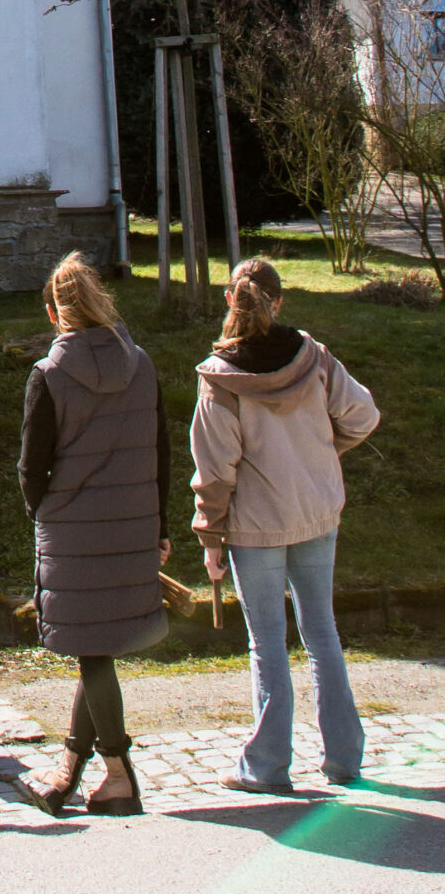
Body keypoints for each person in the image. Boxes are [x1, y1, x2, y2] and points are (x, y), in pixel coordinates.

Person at [191, 256, 379, 792]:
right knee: (323, 633)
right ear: (278, 301)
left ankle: (268, 768)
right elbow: (364, 415)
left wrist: (210, 535)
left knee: (267, 644)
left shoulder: (220, 378)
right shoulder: (313, 356)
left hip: (255, 527)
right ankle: (344, 759)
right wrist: (323, 453)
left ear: (230, 299)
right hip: (316, 513)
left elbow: (215, 468)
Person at [19, 250, 170, 818]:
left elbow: (32, 468)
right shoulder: (142, 365)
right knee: (97, 647)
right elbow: (159, 449)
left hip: (72, 530)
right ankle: (68, 771)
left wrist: (45, 513)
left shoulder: (49, 375)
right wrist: (160, 525)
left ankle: (119, 772)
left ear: (55, 314)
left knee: (91, 649)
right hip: (133, 522)